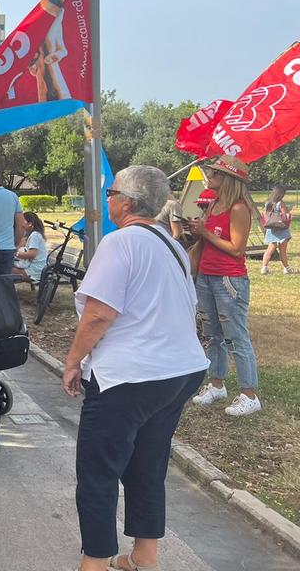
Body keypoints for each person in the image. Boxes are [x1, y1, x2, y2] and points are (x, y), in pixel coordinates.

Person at [62, 165, 208, 571]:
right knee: (148, 463)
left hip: (129, 375)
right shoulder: (171, 244)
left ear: (126, 201)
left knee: (98, 469)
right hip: (178, 370)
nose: (107, 199)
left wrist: (73, 362)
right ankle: (145, 556)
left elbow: (98, 314)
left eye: (111, 193)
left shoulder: (120, 242)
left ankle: (94, 562)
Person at [185, 155, 262, 417]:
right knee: (212, 333)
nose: (210, 175)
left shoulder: (238, 208)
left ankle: (250, 394)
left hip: (229, 280)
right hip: (207, 275)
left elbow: (237, 249)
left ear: (228, 179)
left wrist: (205, 233)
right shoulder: (213, 204)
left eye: (216, 173)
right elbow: (209, 241)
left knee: (236, 336)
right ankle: (217, 383)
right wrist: (198, 233)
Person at [261, 185, 294, 275]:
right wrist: (289, 211)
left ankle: (264, 267)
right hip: (281, 228)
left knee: (270, 248)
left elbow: (265, 213)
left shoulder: (268, 203)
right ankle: (286, 268)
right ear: (281, 194)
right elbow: (284, 215)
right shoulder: (281, 203)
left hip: (271, 228)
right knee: (282, 249)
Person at [12, 211, 49, 283]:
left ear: (29, 224)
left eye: (23, 221)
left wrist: (14, 254)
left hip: (35, 271)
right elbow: (18, 246)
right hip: (32, 268)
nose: (21, 223)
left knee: (4, 270)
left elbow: (32, 254)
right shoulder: (29, 234)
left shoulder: (35, 235)